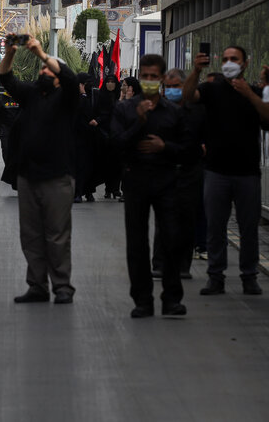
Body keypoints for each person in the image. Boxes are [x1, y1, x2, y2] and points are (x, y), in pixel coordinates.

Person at [183, 44, 269, 295]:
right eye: (226, 59)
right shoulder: (211, 89)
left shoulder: (253, 92)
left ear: (245, 63)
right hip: (216, 171)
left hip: (247, 173)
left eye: (235, 59)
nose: (230, 62)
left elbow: (267, 117)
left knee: (248, 227)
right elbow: (188, 97)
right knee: (215, 226)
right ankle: (215, 276)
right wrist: (196, 71)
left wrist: (250, 95)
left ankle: (249, 276)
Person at [0, 36, 79, 305]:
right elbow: (6, 79)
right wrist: (10, 53)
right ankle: (37, 285)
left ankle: (62, 286)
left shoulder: (67, 98)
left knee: (57, 236)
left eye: (49, 69)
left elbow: (70, 79)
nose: (43, 71)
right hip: (27, 177)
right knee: (31, 236)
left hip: (57, 178)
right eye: (42, 68)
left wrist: (43, 54)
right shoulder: (32, 94)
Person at [110, 55, 189, 318]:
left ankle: (171, 299)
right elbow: (115, 144)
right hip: (135, 180)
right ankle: (142, 300)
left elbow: (187, 151)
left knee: (171, 239)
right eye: (146, 76)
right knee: (137, 242)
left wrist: (164, 146)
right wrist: (139, 122)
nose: (150, 81)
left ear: (163, 78)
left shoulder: (174, 111)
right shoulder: (125, 109)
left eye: (155, 76)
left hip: (167, 180)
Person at [152, 68, 205, 280]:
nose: (172, 91)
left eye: (176, 87)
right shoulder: (158, 109)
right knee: (162, 220)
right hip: (163, 171)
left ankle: (183, 265)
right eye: (168, 87)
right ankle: (159, 264)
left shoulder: (198, 110)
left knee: (187, 219)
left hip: (190, 171)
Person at [93, 74, 123, 199]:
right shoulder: (101, 95)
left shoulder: (119, 96)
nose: (110, 84)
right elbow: (98, 112)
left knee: (117, 164)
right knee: (106, 163)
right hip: (104, 133)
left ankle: (115, 188)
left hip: (117, 133)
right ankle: (108, 189)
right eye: (108, 81)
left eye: (112, 81)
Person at [73, 72, 100, 203]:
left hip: (91, 138)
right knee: (79, 166)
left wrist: (96, 121)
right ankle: (78, 192)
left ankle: (89, 191)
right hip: (79, 138)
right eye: (85, 83)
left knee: (90, 166)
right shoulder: (78, 98)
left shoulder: (94, 95)